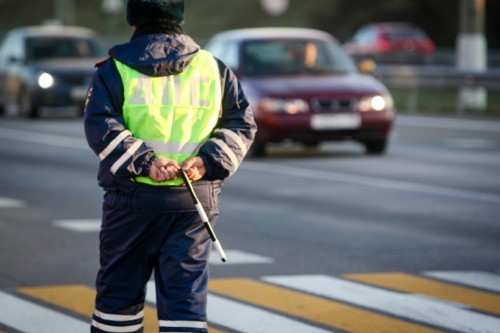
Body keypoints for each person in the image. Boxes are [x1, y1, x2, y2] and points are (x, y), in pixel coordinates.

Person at [83, 0, 256, 332]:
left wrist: (146, 163)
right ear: (180, 18)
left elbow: (101, 126)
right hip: (193, 204)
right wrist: (205, 162)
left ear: (134, 21)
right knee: (184, 306)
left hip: (132, 203)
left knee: (119, 299)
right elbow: (242, 125)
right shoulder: (213, 67)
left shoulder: (114, 70)